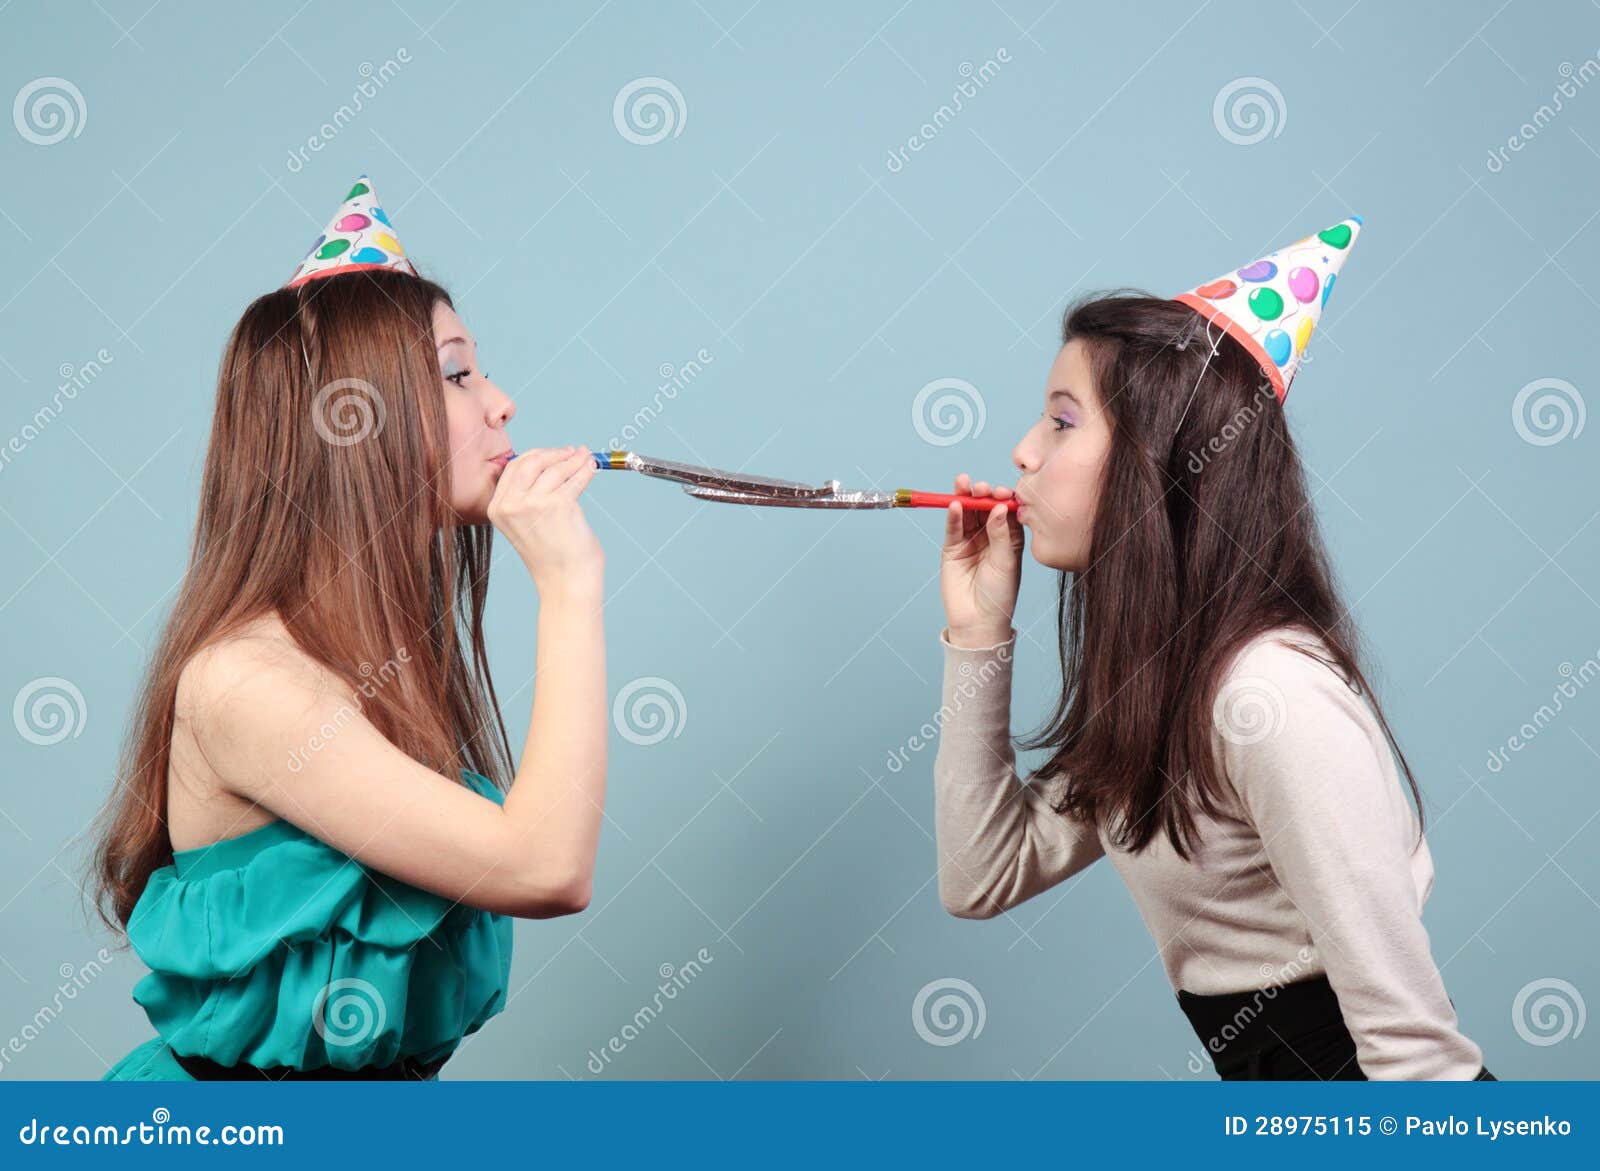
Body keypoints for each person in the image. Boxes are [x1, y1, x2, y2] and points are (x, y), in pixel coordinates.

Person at [932, 218, 1497, 1080]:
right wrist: (977, 634)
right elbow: (982, 872)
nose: (1023, 451)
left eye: (1060, 422)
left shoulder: (1269, 697)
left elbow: (1416, 1054)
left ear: (1162, 463)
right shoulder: (1156, 683)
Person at [92, 175, 608, 1080]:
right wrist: (569, 583)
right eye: (457, 372)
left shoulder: (384, 665)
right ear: (352, 420)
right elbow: (545, 867)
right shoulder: (248, 681)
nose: (501, 403)